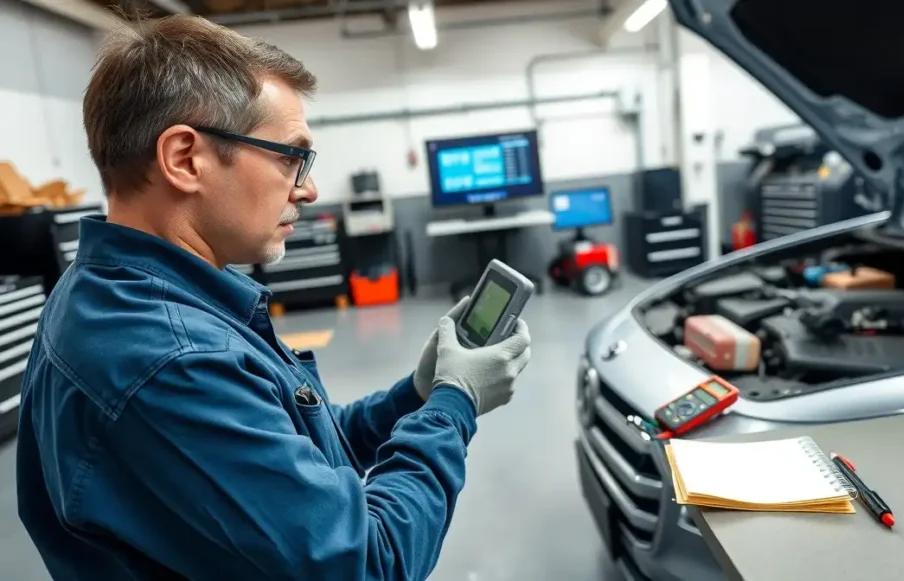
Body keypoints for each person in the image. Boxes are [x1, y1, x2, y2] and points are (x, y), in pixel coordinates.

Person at [16, 15, 532, 581]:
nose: (308, 188)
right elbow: (369, 563)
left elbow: (295, 450)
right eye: (290, 156)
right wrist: (455, 402)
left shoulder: (110, 292)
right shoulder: (171, 360)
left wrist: (416, 393)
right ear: (185, 159)